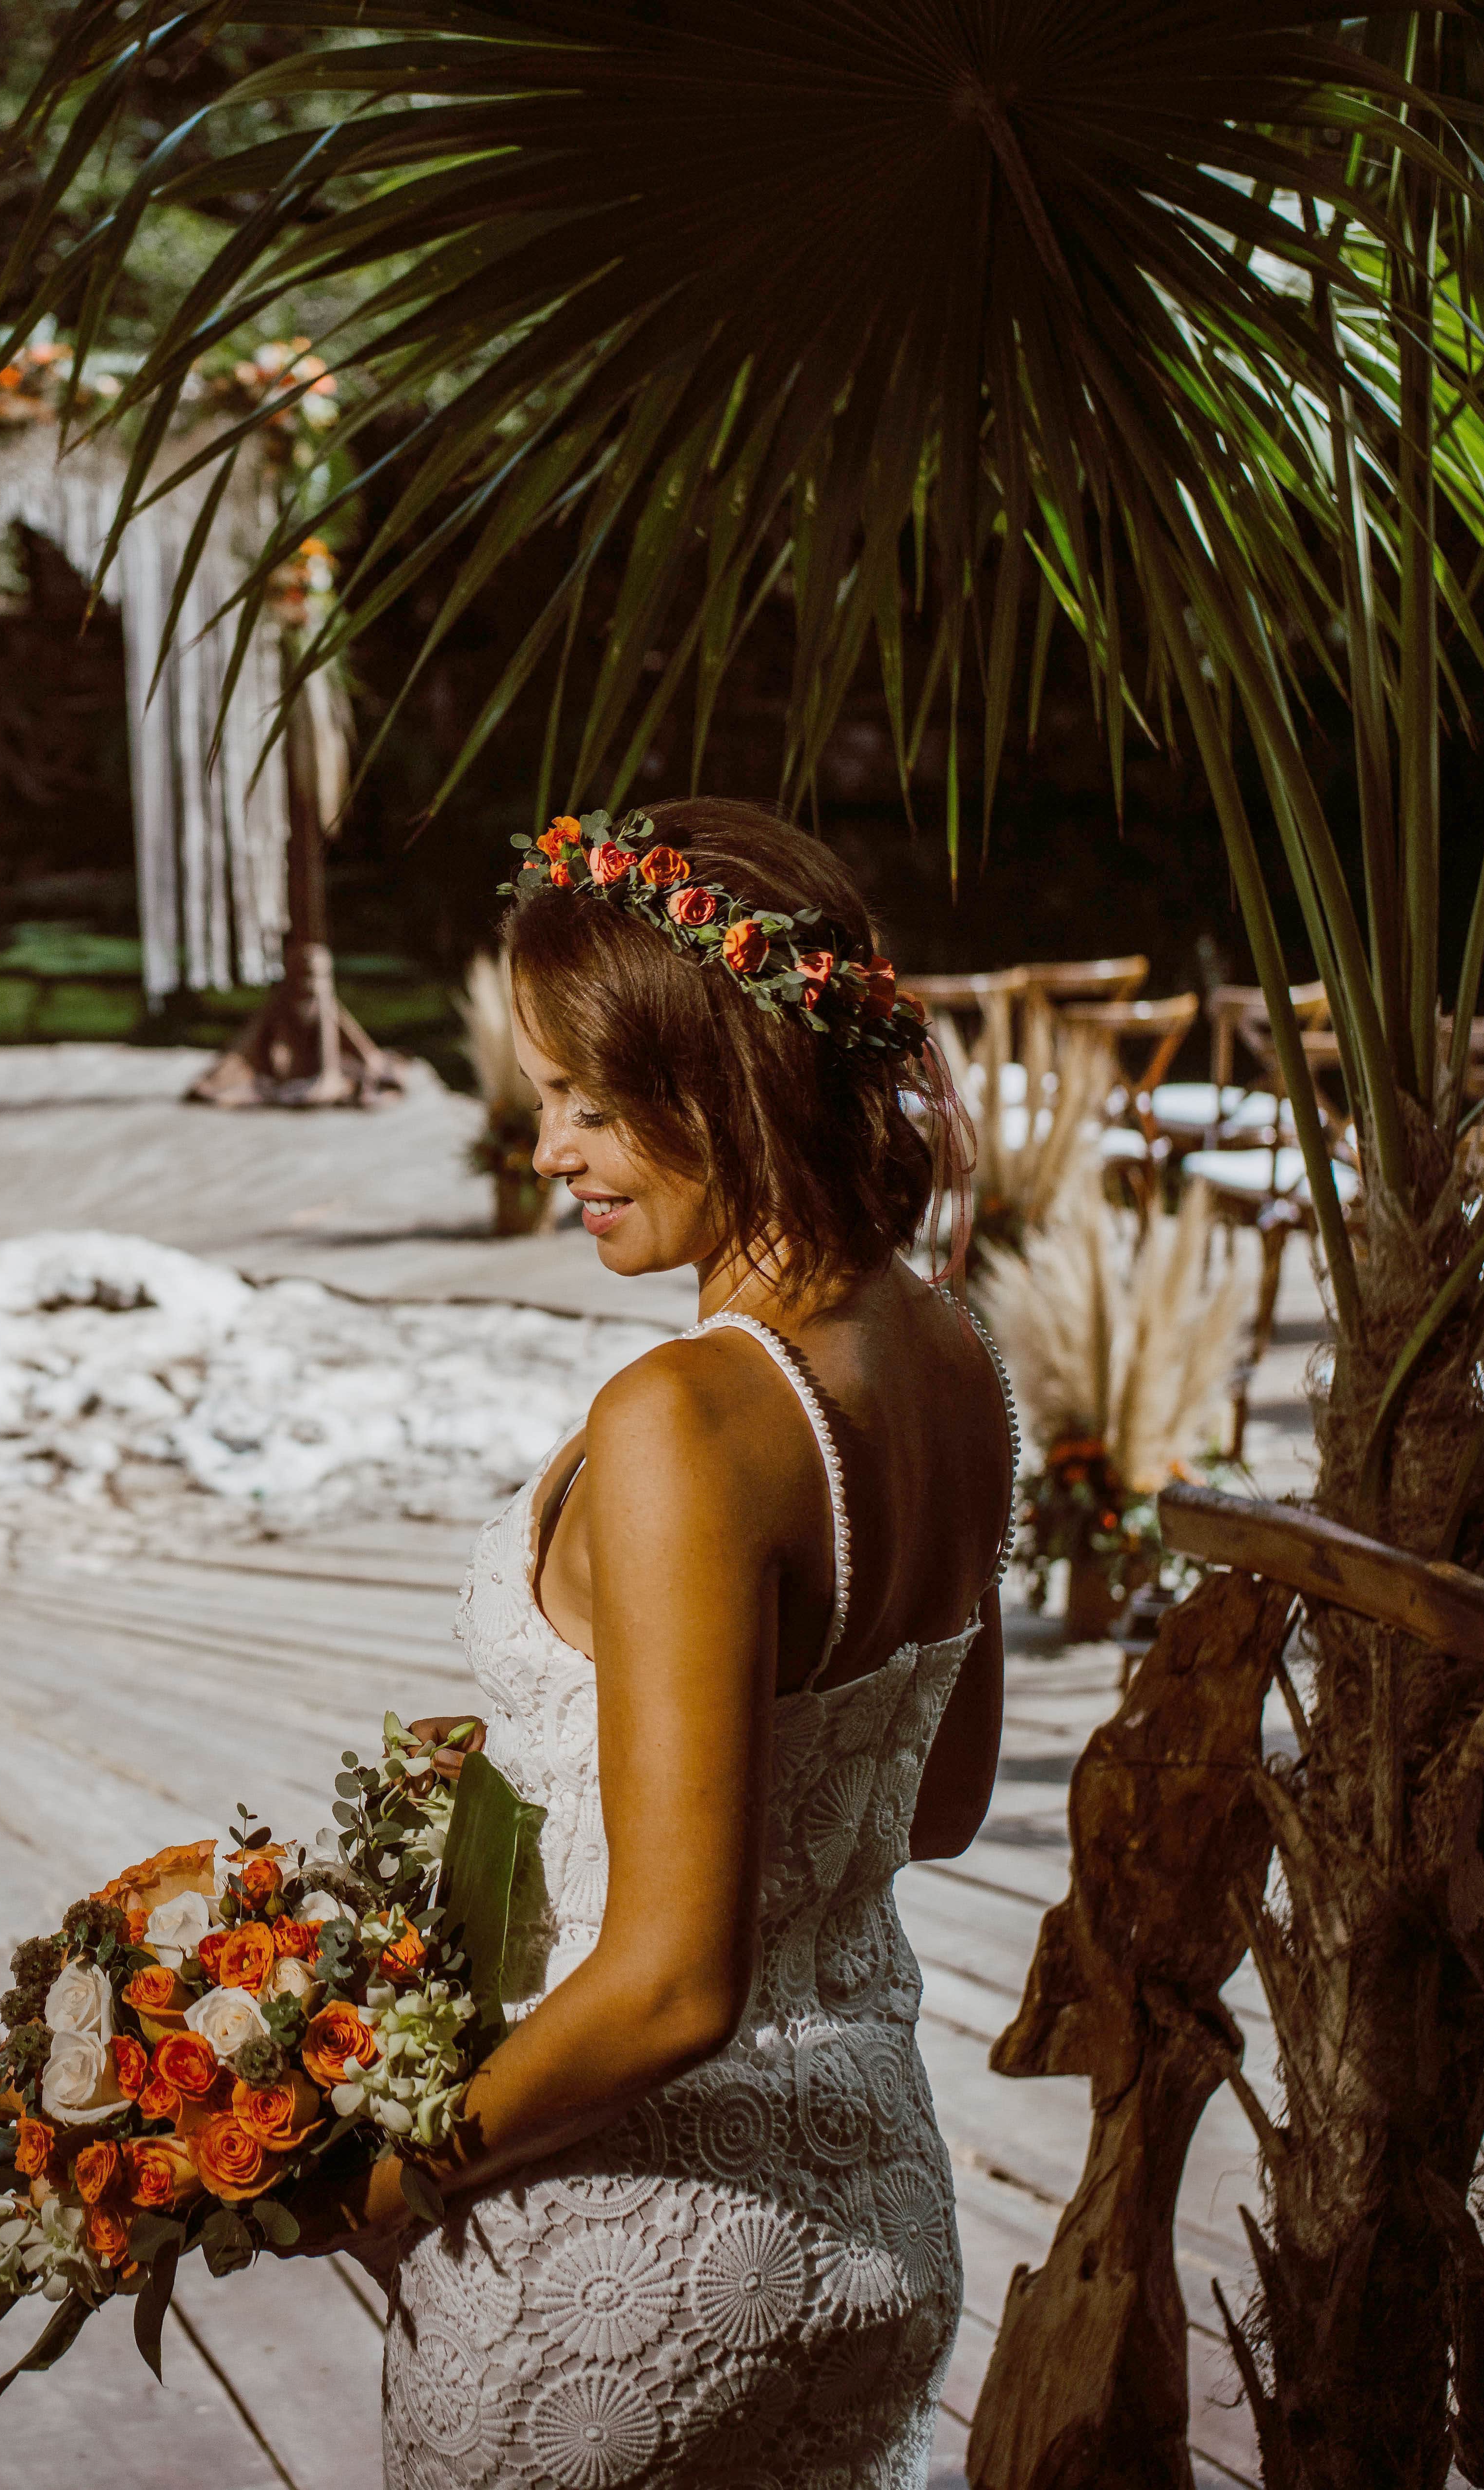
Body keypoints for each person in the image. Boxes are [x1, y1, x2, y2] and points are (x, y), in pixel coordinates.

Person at [296, 798, 1016, 2487]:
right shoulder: (954, 1355)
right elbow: (937, 1802)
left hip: (628, 2263)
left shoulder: (686, 1417)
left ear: (729, 1085)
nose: (548, 1149)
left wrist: (382, 2187)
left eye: (590, 1104)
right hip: (873, 2216)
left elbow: (675, 1983)